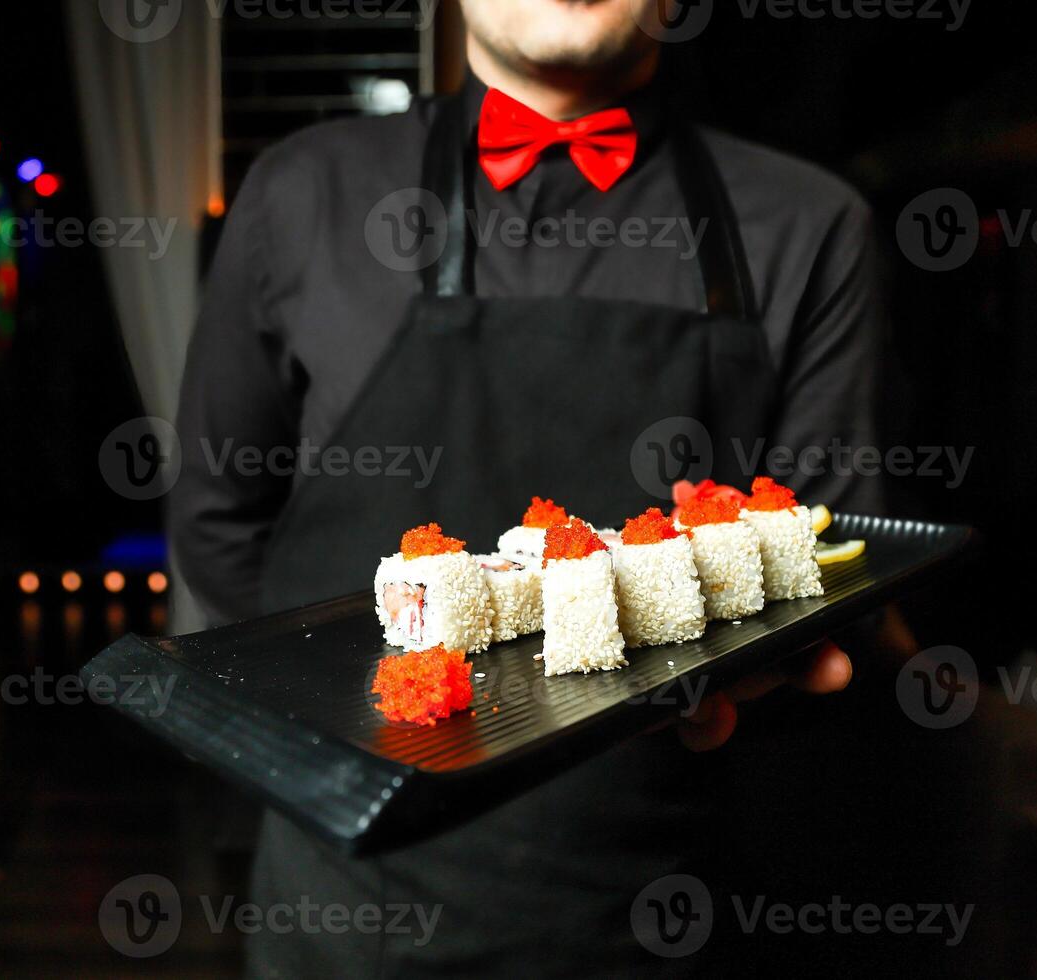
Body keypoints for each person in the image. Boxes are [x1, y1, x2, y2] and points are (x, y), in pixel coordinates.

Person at [171, 0, 880, 973]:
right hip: (342, 911)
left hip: (655, 905)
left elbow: (819, 579)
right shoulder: (302, 191)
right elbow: (217, 519)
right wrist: (340, 730)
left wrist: (760, 684)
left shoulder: (812, 225)